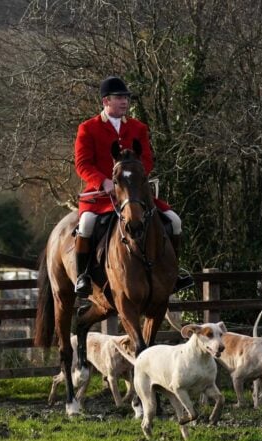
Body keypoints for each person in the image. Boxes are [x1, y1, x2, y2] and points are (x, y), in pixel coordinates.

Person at [74, 76, 193, 298]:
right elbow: (82, 164)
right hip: (101, 195)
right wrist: (104, 181)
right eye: (119, 98)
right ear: (105, 101)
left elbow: (147, 159)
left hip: (135, 193)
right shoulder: (88, 128)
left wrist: (136, 178)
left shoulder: (138, 127)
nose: (124, 102)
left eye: (126, 98)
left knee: (175, 221)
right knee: (87, 223)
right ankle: (84, 275)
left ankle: (174, 274)